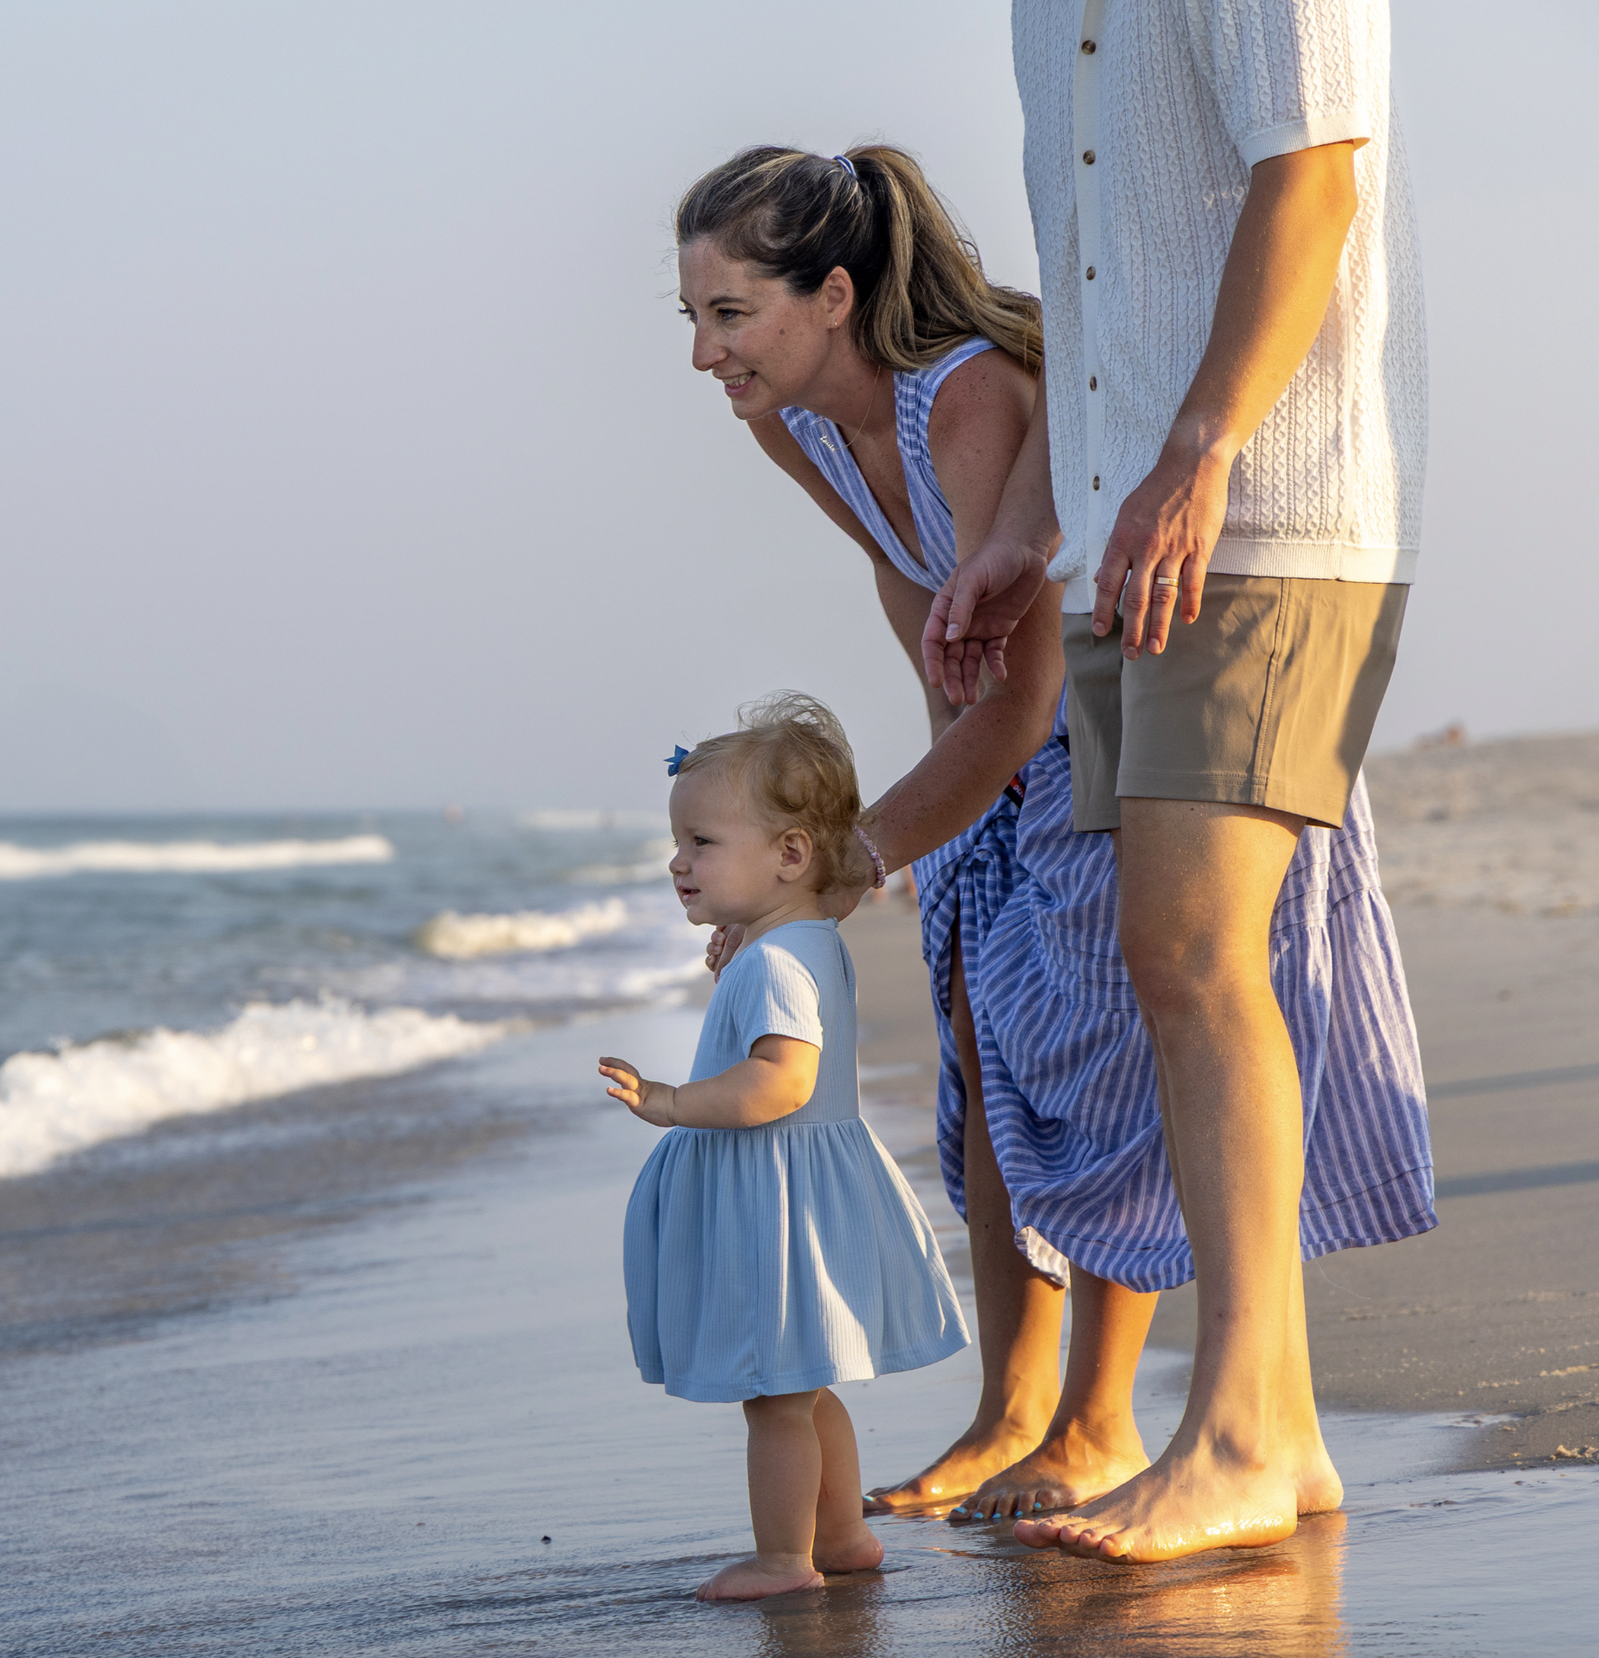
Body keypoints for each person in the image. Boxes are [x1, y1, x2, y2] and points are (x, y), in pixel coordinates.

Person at [673, 143, 1434, 1528]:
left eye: (731, 315)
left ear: (833, 295)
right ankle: (1011, 1413)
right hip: (996, 744)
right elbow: (935, 631)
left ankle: (1094, 1419)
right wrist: (923, 837)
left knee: (1095, 1043)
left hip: (1108, 708)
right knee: (979, 1036)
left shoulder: (960, 398)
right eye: (694, 320)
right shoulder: (795, 427)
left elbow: (1027, 693)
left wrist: (848, 863)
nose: (706, 353)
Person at [925, 1, 1432, 1562]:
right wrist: (1026, 523)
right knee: (1169, 965)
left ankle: (1240, 1435)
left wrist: (1200, 450)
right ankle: (1277, 1421)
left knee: (1197, 952)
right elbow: (1088, 279)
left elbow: (1318, 177)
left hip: (1259, 508)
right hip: (1117, 530)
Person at [599, 695, 969, 1602]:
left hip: (778, 1204)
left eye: (702, 843)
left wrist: (671, 1100)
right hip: (799, 1191)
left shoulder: (775, 962)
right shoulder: (799, 940)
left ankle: (783, 1560)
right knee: (805, 1384)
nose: (677, 862)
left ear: (791, 855)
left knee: (773, 1396)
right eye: (679, 843)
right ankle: (842, 1537)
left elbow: (780, 1083)